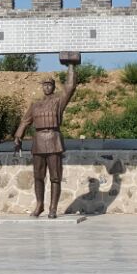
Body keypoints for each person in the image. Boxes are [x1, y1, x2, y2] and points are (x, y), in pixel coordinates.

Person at [13, 57, 79, 218]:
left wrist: (71, 66)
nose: (47, 87)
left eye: (50, 84)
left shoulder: (58, 101)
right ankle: (39, 205)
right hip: (38, 142)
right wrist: (18, 136)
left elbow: (69, 87)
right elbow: (25, 121)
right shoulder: (35, 105)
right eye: (45, 85)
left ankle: (53, 208)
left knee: (55, 177)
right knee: (38, 176)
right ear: (42, 87)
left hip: (53, 139)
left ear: (53, 87)